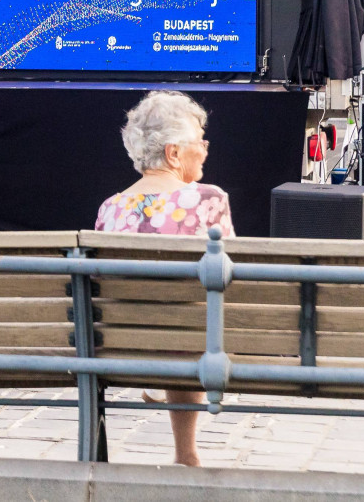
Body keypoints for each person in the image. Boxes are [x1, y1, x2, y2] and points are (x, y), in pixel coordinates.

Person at [95, 90, 233, 468]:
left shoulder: (109, 209)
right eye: (199, 142)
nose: (204, 150)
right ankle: (185, 452)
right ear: (173, 153)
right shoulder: (208, 200)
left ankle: (174, 433)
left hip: (122, 346)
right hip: (194, 341)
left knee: (177, 320)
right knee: (195, 320)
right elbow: (232, 277)